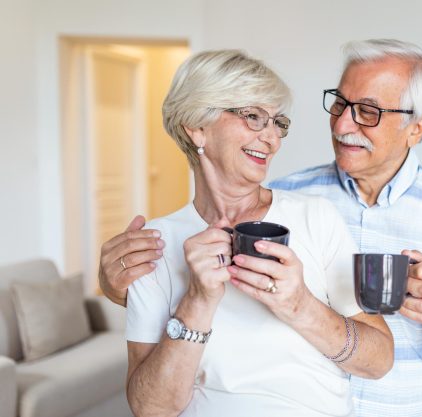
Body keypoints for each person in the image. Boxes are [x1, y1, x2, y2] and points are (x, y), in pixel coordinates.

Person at [100, 39, 422, 416]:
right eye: (340, 104)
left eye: (367, 111)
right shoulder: (287, 195)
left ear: (417, 127)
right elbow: (152, 401)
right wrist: (128, 287)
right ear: (196, 126)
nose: (343, 125)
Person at [120, 49, 393, 417]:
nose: (273, 139)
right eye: (253, 117)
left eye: (277, 123)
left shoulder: (315, 218)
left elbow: (378, 360)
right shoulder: (154, 243)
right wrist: (197, 301)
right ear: (196, 125)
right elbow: (149, 408)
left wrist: (299, 305)